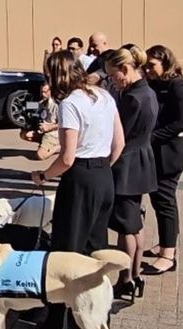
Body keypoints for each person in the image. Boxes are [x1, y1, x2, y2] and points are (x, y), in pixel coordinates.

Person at [31, 50, 124, 328]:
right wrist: (101, 167)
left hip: (80, 178)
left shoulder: (69, 103)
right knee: (95, 248)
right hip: (104, 176)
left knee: (66, 250)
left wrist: (43, 175)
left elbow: (68, 157)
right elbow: (119, 143)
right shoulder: (104, 95)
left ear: (57, 75)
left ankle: (59, 319)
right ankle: (97, 311)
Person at [105, 46, 158, 299]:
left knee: (126, 227)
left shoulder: (132, 98)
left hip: (126, 165)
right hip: (142, 161)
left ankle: (127, 279)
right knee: (135, 224)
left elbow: (119, 137)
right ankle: (135, 276)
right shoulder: (148, 91)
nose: (113, 81)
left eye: (114, 75)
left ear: (125, 69)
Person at [141, 45, 183, 275]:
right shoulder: (155, 84)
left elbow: (180, 122)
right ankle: (165, 243)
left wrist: (152, 137)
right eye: (145, 65)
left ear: (165, 63)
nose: (147, 69)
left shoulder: (177, 85)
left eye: (152, 65)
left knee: (165, 200)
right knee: (158, 200)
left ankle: (169, 255)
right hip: (156, 150)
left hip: (170, 151)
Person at [19, 83, 60, 160]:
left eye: (45, 92)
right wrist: (20, 105)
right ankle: (44, 145)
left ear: (51, 91)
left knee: (40, 156)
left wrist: (50, 127)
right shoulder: (43, 102)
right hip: (42, 130)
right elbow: (32, 105)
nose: (42, 94)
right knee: (25, 134)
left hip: (53, 133)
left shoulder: (56, 105)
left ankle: (59, 146)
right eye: (41, 92)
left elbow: (63, 123)